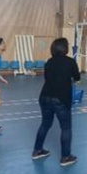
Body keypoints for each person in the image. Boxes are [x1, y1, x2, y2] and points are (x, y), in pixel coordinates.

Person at [33, 38, 81, 167]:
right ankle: (66, 157)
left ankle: (37, 150)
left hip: (44, 97)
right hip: (61, 99)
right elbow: (77, 77)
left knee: (45, 124)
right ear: (64, 48)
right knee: (66, 128)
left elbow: (48, 78)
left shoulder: (49, 62)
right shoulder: (70, 62)